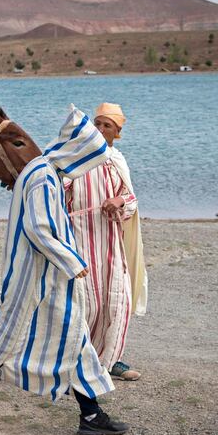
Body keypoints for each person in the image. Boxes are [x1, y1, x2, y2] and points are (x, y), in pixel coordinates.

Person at [0, 105, 129, 435]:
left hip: (49, 277)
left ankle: (90, 415)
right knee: (8, 338)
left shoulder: (47, 172)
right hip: (34, 279)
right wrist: (73, 262)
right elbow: (38, 229)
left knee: (74, 337)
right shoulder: (43, 177)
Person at [64, 103, 147, 381]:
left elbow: (131, 200)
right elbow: (57, 194)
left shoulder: (117, 161)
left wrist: (118, 201)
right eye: (96, 124)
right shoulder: (75, 158)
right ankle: (77, 360)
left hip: (111, 243)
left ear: (117, 132)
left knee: (117, 300)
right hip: (79, 242)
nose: (99, 129)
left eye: (106, 126)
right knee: (85, 302)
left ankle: (111, 360)